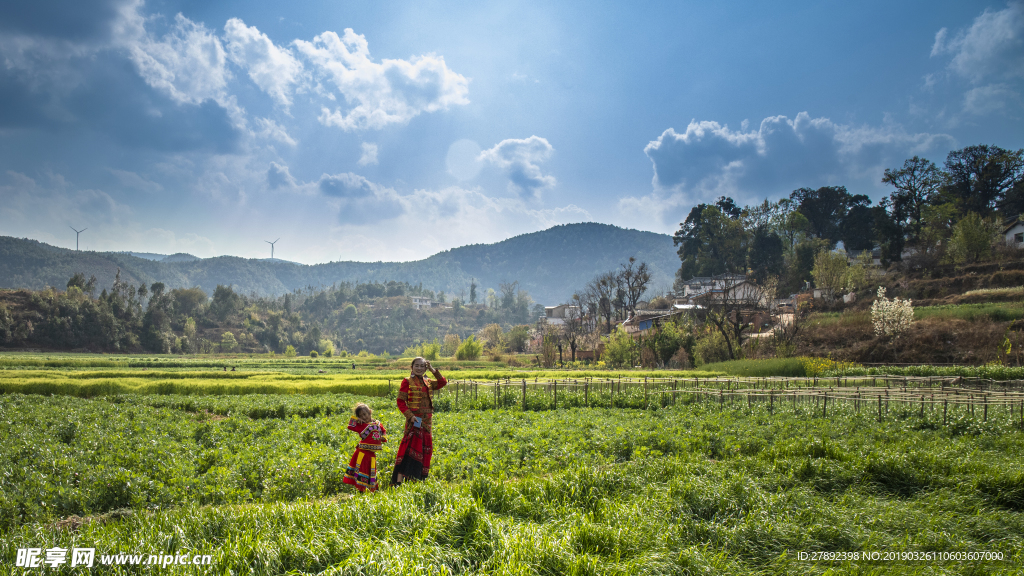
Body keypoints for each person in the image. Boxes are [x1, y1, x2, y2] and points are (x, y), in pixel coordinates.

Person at [391, 357, 446, 486]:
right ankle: (400, 481)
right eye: (417, 365)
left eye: (422, 366)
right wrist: (410, 416)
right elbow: (400, 401)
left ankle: (419, 479)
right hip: (414, 420)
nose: (419, 368)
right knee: (409, 449)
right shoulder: (407, 381)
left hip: (427, 422)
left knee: (425, 449)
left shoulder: (428, 382)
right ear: (412, 367)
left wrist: (433, 370)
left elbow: (443, 382)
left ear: (426, 368)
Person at [342, 402, 387, 493]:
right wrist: (356, 419)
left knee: (372, 471)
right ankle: (361, 491)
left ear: (370, 412)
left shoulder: (378, 424)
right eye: (360, 415)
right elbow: (350, 426)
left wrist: (383, 438)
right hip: (362, 453)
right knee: (362, 471)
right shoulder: (361, 425)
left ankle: (373, 489)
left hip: (371, 454)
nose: (363, 417)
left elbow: (384, 431)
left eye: (364, 414)